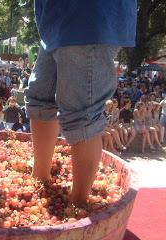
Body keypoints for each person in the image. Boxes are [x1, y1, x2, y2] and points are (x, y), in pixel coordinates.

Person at [25, 0, 137, 207]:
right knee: (41, 100)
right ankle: (40, 178)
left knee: (82, 114)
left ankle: (78, 204)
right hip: (54, 20)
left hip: (88, 17)